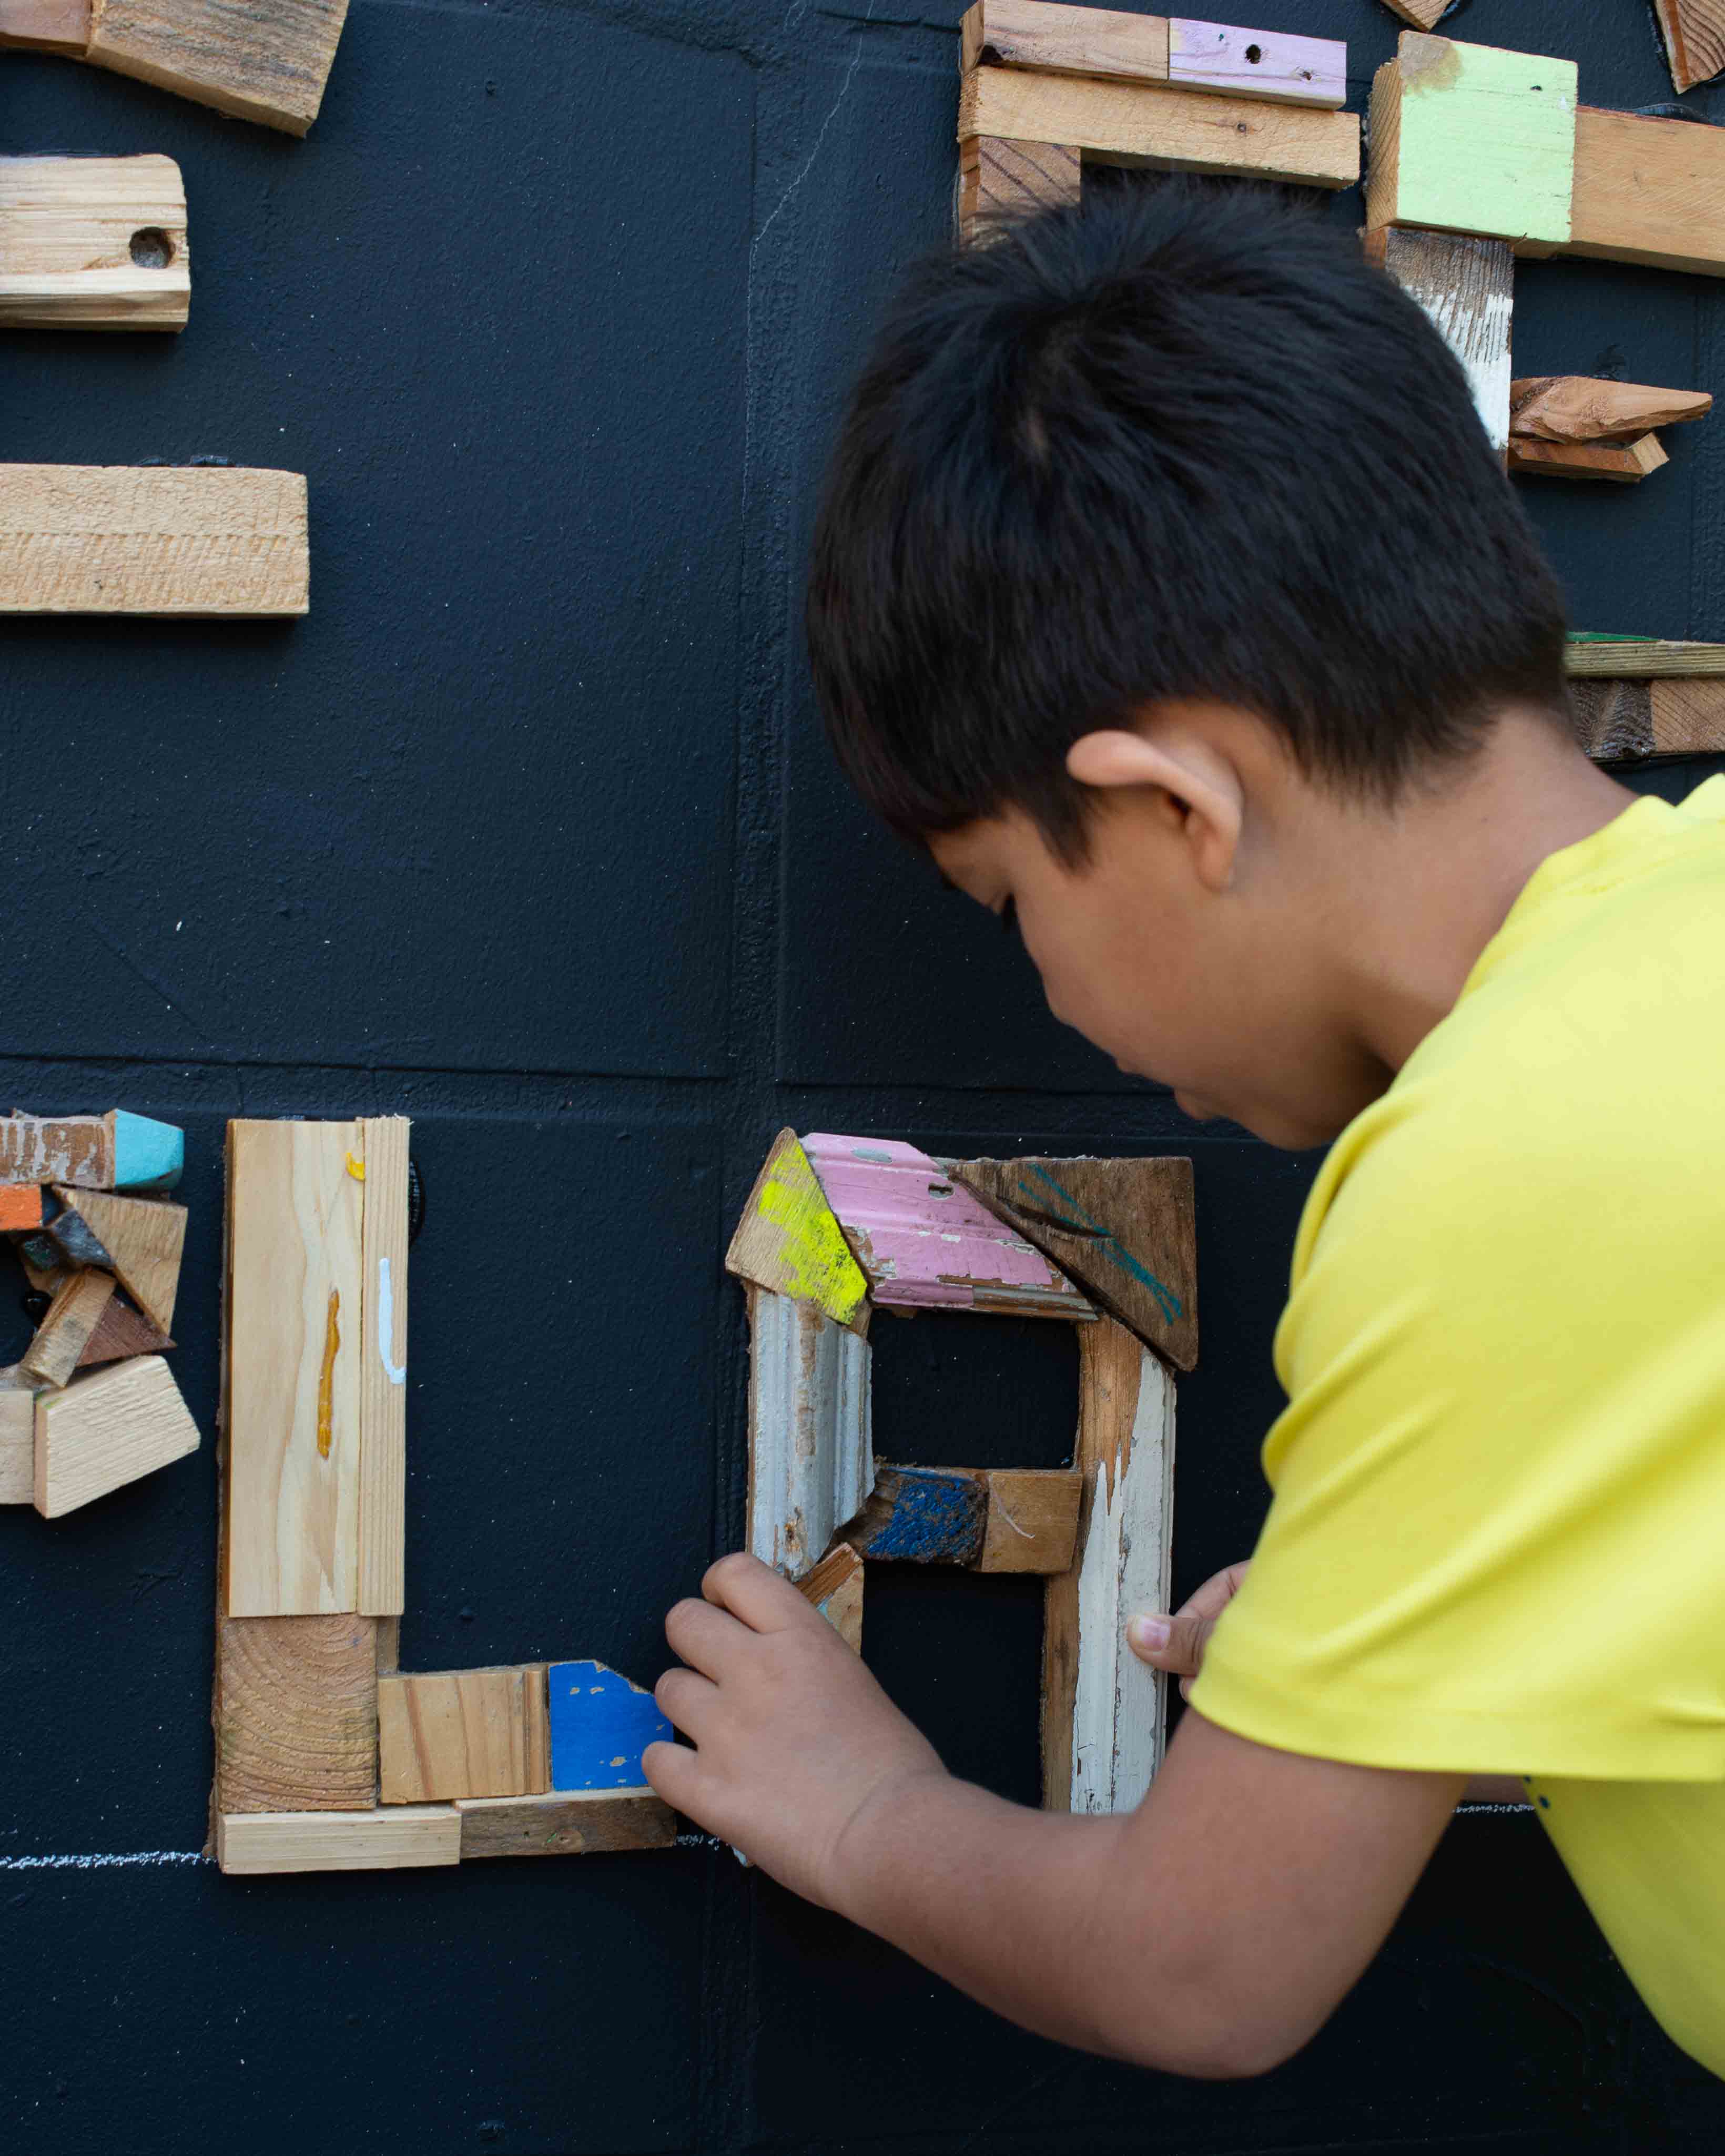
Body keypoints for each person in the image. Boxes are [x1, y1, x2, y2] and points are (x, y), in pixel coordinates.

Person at [641, 183, 1725, 2080]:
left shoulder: (1487, 1180)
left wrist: (865, 1807)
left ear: (1168, 812)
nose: (1050, 996)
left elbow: (1203, 1969)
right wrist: (1429, 1637)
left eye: (1009, 907)